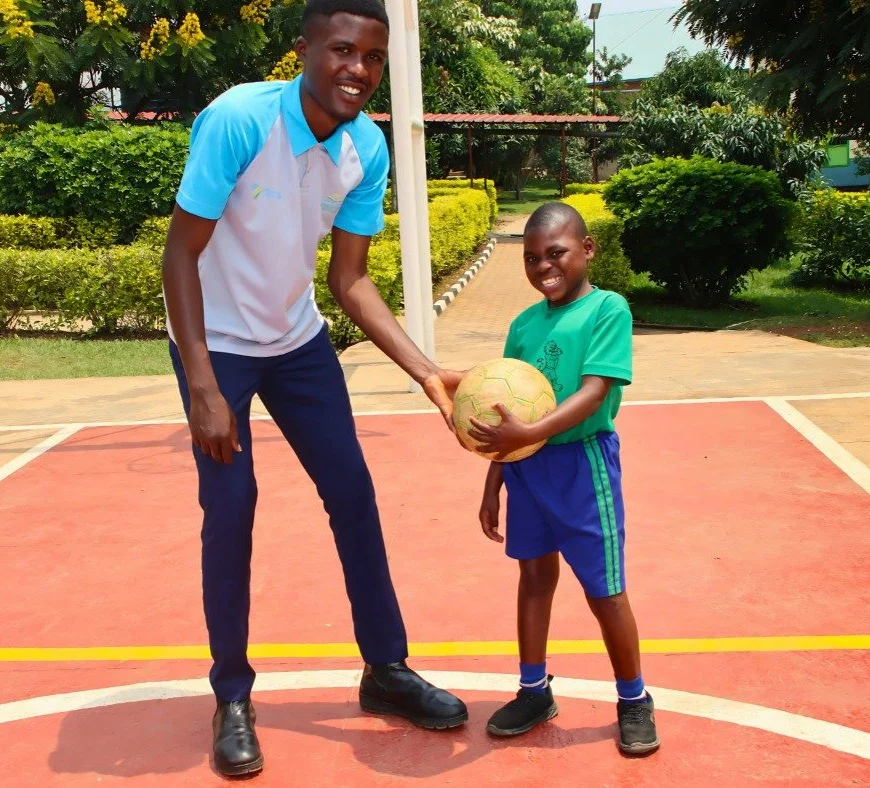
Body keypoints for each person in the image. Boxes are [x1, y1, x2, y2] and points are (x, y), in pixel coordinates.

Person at [161, 0, 468, 776]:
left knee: (353, 493)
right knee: (231, 511)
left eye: (371, 56)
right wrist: (202, 383)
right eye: (341, 50)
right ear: (302, 51)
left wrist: (428, 374)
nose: (357, 70)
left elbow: (351, 280)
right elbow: (178, 256)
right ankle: (232, 695)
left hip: (295, 340)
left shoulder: (366, 148)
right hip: (217, 345)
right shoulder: (238, 120)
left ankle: (386, 670)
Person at [468, 202, 660, 755]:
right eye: (531, 259)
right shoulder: (523, 325)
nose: (543, 267)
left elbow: (594, 392)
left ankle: (633, 698)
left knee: (605, 590)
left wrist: (529, 432)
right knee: (533, 579)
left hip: (582, 467)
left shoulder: (608, 309)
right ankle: (534, 690)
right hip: (524, 467)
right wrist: (492, 482)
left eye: (556, 254)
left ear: (587, 249)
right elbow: (501, 403)